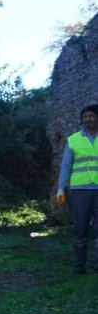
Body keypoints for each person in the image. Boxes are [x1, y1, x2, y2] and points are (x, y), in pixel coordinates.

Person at [56, 104, 98, 275]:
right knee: (80, 228)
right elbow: (66, 166)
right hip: (80, 190)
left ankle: (97, 266)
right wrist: (60, 188)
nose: (87, 119)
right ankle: (79, 267)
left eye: (91, 116)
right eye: (85, 117)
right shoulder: (73, 140)